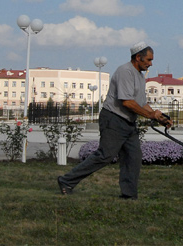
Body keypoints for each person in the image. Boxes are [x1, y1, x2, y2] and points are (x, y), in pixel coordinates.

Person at [57, 42, 172, 199]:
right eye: (149, 60)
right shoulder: (125, 71)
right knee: (105, 155)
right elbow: (127, 102)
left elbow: (142, 103)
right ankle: (67, 181)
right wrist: (151, 115)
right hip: (113, 119)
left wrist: (160, 118)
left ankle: (129, 195)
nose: (151, 63)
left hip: (128, 122)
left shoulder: (139, 75)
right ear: (138, 57)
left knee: (134, 157)